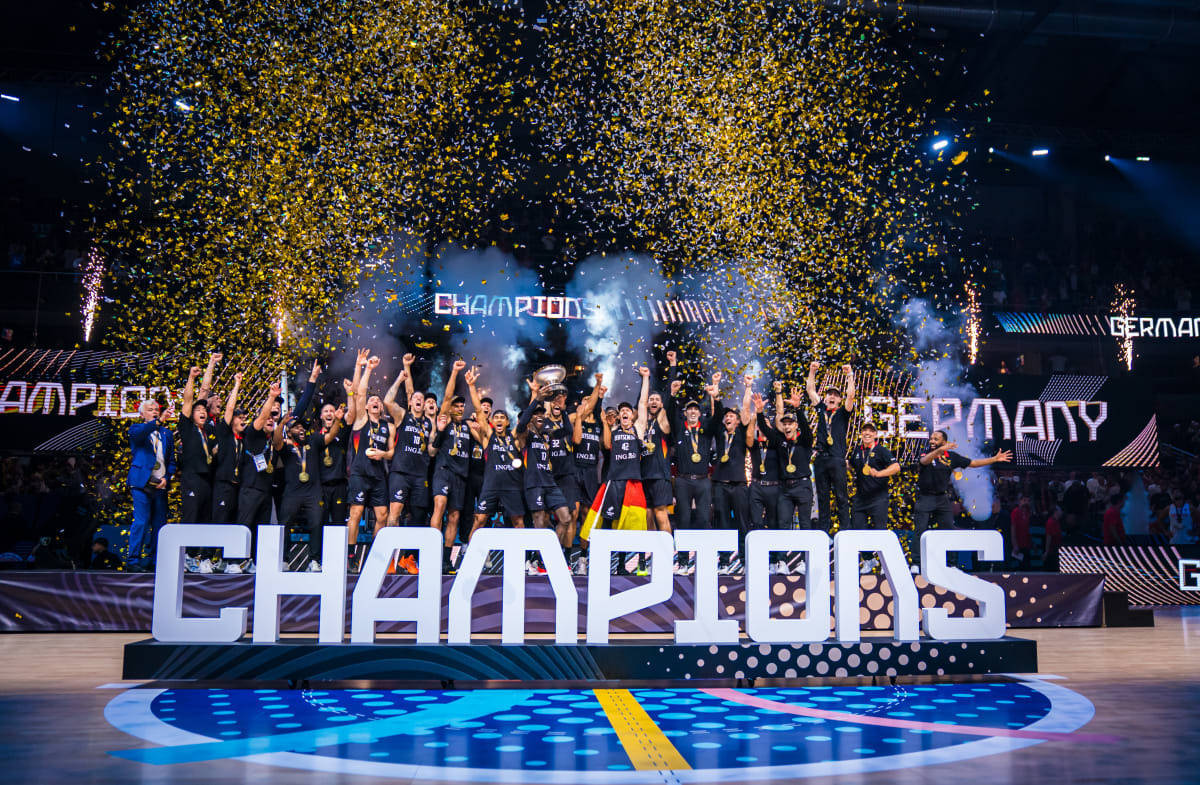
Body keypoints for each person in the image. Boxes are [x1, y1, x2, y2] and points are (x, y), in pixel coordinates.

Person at [913, 430, 1012, 568]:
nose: (932, 441)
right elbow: (924, 461)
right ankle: (916, 564)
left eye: (936, 439)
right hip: (925, 497)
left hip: (942, 498)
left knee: (948, 530)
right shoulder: (926, 453)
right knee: (920, 530)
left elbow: (973, 463)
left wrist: (994, 459)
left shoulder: (951, 457)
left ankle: (951, 564)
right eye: (931, 439)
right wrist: (939, 450)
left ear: (944, 441)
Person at [586, 369, 652, 575]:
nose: (624, 412)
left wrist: (645, 378)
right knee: (612, 523)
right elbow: (606, 445)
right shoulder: (613, 431)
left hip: (633, 482)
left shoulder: (638, 428)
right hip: (614, 482)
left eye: (627, 410)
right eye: (621, 411)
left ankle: (641, 563)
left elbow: (643, 403)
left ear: (632, 415)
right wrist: (605, 420)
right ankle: (615, 564)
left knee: (638, 524)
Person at [516, 375, 576, 574]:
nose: (540, 415)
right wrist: (536, 400)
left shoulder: (547, 435)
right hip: (534, 483)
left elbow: (567, 429)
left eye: (542, 413)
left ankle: (546, 557)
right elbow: (521, 423)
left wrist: (563, 410)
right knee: (539, 522)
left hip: (550, 482)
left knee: (565, 518)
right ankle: (536, 561)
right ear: (531, 418)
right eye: (536, 414)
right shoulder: (526, 435)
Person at [273, 406, 344, 571]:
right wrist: (282, 423)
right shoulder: (285, 446)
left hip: (313, 492)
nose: (301, 429)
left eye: (302, 427)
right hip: (292, 492)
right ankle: (283, 559)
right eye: (296, 427)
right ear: (289, 432)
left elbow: (331, 435)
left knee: (316, 524)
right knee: (285, 524)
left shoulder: (313, 440)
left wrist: (338, 420)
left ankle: (314, 560)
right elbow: (276, 441)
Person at [464, 368, 528, 548]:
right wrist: (471, 386)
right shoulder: (488, 437)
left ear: (507, 422)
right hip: (490, 485)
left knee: (518, 522)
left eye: (502, 418)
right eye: (496, 417)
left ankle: (521, 557)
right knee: (479, 519)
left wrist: (535, 394)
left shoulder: (514, 437)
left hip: (511, 486)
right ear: (492, 421)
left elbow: (526, 419)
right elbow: (478, 410)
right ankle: (471, 554)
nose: (499, 419)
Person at [346, 353, 395, 571]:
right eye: (371, 401)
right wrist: (368, 369)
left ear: (382, 408)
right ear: (365, 407)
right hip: (359, 474)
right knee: (356, 514)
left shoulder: (388, 427)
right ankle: (351, 555)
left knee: (382, 516)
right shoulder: (360, 420)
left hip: (378, 476)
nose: (375, 401)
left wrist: (382, 455)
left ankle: (375, 556)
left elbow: (392, 453)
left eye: (378, 401)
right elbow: (361, 392)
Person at [383, 352, 432, 573]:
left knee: (419, 515)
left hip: (420, 475)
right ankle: (388, 558)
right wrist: (403, 374)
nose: (418, 400)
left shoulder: (429, 423)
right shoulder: (403, 415)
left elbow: (432, 448)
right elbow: (387, 401)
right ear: (411, 402)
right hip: (401, 472)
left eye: (422, 399)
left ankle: (408, 558)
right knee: (395, 512)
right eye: (415, 398)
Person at [428, 360, 477, 573]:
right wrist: (455, 372)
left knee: (454, 516)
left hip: (461, 476)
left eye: (461, 406)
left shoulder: (467, 426)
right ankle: (433, 552)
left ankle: (446, 559)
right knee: (439, 506)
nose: (459, 408)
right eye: (456, 405)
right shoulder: (445, 421)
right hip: (443, 471)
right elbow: (447, 397)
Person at [669, 372, 720, 573]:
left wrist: (716, 395)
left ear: (699, 413)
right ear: (685, 413)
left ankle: (703, 560)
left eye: (695, 409)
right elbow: (670, 411)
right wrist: (672, 394)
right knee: (683, 520)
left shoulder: (706, 430)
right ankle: (683, 561)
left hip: (702, 481)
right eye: (689, 409)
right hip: (683, 481)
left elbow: (717, 417)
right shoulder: (679, 429)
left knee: (703, 519)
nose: (692, 411)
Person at [230, 381, 282, 573]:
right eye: (267, 417)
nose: (270, 420)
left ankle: (250, 561)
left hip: (266, 492)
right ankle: (234, 562)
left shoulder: (271, 440)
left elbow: (279, 427)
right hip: (250, 489)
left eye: (272, 419)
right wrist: (271, 397)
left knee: (259, 529)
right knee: (244, 526)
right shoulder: (253, 433)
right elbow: (261, 418)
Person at [806, 362, 855, 532]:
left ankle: (845, 531)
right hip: (820, 459)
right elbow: (810, 390)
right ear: (825, 398)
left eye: (835, 395)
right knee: (823, 498)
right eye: (829, 394)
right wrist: (812, 371)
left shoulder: (843, 413)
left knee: (841, 497)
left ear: (839, 400)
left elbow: (851, 396)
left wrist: (850, 375)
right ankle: (824, 533)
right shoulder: (821, 409)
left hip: (837, 459)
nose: (832, 397)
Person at [127, 399, 175, 572]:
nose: (154, 412)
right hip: (141, 483)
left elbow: (171, 460)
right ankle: (133, 561)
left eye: (156, 409)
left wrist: (167, 477)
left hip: (159, 485)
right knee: (141, 521)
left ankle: (154, 560)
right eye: (150, 409)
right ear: (142, 414)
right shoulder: (136, 429)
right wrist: (159, 420)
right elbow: (143, 432)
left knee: (159, 524)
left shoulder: (167, 434)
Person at [711, 375, 752, 573]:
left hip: (738, 484)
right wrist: (716, 387)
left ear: (737, 421)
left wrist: (748, 387)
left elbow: (746, 409)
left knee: (743, 523)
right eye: (726, 416)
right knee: (722, 523)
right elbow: (716, 412)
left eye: (731, 416)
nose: (728, 418)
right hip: (720, 483)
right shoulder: (720, 433)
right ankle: (724, 561)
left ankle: (744, 560)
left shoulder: (742, 432)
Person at [846, 422, 900, 573]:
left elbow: (896, 467)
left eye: (871, 431)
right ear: (861, 434)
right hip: (861, 498)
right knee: (858, 529)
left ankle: (885, 564)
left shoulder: (881, 450)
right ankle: (869, 560)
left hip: (878, 497)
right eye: (864, 431)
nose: (867, 433)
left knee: (879, 531)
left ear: (875, 434)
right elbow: (851, 466)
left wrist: (879, 473)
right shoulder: (857, 451)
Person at [177, 364, 218, 524]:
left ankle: (200, 544)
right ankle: (186, 543)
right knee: (191, 518)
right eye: (198, 410)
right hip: (191, 478)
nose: (202, 412)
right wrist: (192, 377)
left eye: (204, 410)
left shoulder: (208, 429)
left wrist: (212, 363)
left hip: (207, 480)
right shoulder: (187, 427)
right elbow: (188, 400)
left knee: (204, 521)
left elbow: (205, 391)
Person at [317, 400, 350, 529]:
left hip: (339, 486)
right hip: (321, 487)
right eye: (326, 411)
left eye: (332, 411)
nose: (329, 413)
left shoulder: (342, 434)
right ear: (321, 416)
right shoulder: (315, 437)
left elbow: (351, 416)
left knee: (339, 523)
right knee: (321, 522)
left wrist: (350, 394)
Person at [1010, 495, 1033, 569]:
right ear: (1019, 501)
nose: (1026, 502)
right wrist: (1015, 545)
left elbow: (1028, 530)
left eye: (1028, 501)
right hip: (1018, 544)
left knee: (1027, 567)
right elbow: (1013, 529)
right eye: (1024, 500)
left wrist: (1032, 543)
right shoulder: (1015, 512)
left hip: (1027, 544)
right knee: (1019, 567)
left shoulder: (1028, 513)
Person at [1043, 506, 1064, 571]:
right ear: (1056, 512)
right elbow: (1049, 537)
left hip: (1057, 551)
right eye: (1060, 510)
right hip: (1052, 552)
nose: (1061, 512)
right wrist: (1046, 552)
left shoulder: (1057, 522)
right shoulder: (1050, 522)